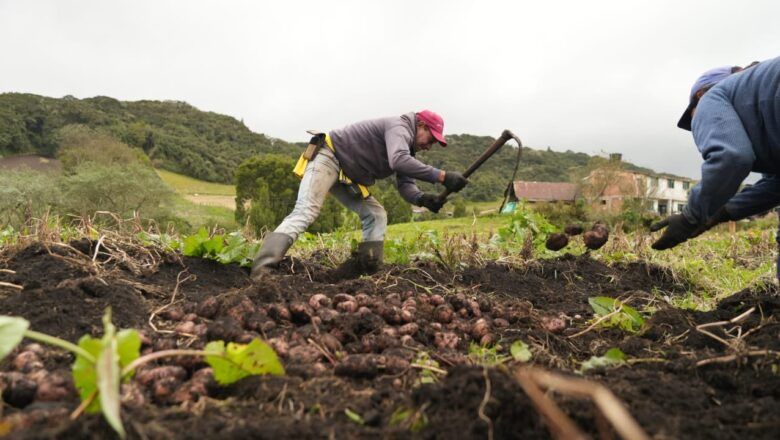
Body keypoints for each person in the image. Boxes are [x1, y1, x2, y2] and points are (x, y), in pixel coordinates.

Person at [250, 110, 468, 280]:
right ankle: (262, 271)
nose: (429, 147)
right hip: (329, 157)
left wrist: (422, 199)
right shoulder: (399, 127)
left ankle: (367, 271)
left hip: (348, 175)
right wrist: (442, 176)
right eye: (430, 140)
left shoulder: (407, 147)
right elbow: (398, 161)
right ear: (421, 126)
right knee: (305, 211)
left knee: (376, 215)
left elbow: (406, 186)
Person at [651, 56, 780, 276]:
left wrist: (690, 217)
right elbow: (776, 185)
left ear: (699, 95)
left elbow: (731, 157)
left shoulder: (711, 99)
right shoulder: (763, 98)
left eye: (693, 120)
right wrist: (720, 212)